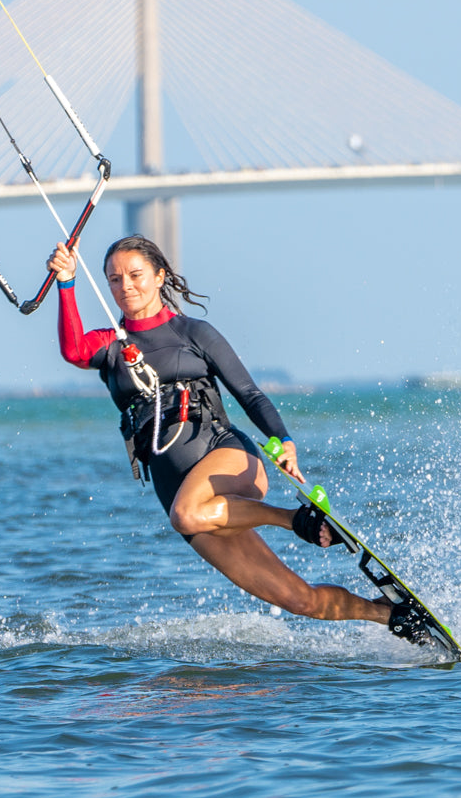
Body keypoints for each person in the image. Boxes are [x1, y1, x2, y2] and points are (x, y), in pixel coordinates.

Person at [46, 234, 430, 645]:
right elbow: (73, 350)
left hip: (228, 458)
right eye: (114, 280)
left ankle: (296, 520)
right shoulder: (111, 347)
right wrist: (66, 283)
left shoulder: (194, 333)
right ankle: (394, 616)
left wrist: (283, 440)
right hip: (192, 506)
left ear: (160, 276)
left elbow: (249, 394)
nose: (126, 287)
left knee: (186, 515)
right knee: (301, 601)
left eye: (136, 275)